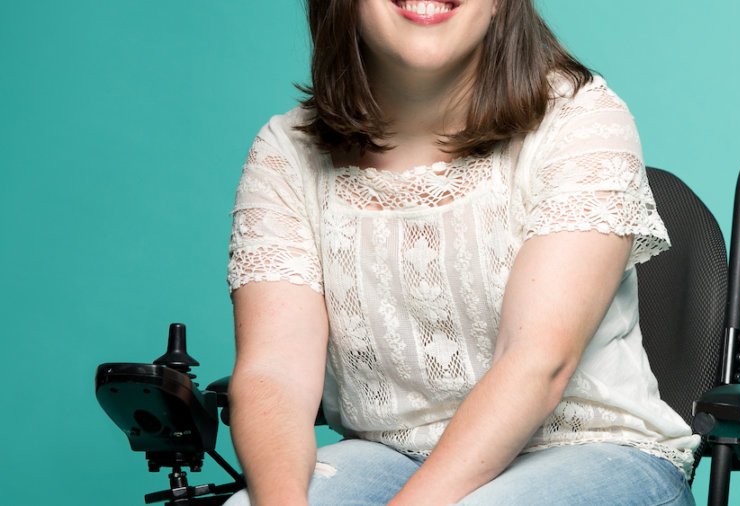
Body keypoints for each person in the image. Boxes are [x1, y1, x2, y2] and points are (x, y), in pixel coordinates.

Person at [223, 0, 698, 504]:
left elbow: (539, 361)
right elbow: (274, 373)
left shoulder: (580, 118)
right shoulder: (287, 152)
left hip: (596, 452)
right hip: (388, 457)